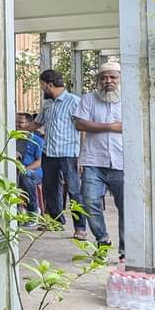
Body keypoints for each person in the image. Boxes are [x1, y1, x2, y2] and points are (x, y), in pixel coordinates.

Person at [75, 62, 124, 258]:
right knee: (88, 201)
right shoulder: (88, 99)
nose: (108, 81)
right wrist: (111, 127)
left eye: (112, 77)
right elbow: (80, 123)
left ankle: (125, 250)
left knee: (126, 207)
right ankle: (102, 240)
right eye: (103, 78)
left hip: (123, 161)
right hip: (94, 160)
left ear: (120, 79)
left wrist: (95, 125)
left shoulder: (129, 100)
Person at [36, 69, 84, 237]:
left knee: (74, 190)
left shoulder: (74, 102)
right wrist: (17, 127)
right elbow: (37, 124)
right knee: (50, 188)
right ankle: (56, 221)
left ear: (50, 85)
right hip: (48, 152)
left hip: (68, 153)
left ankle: (80, 228)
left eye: (42, 86)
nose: (42, 89)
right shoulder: (47, 104)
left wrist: (82, 155)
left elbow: (82, 128)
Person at [15, 112, 45, 216]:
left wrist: (25, 169)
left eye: (20, 122)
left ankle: (33, 210)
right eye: (15, 122)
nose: (17, 125)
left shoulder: (37, 140)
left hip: (34, 172)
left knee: (24, 176)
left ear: (29, 124)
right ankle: (17, 210)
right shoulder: (13, 139)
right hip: (17, 171)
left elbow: (40, 161)